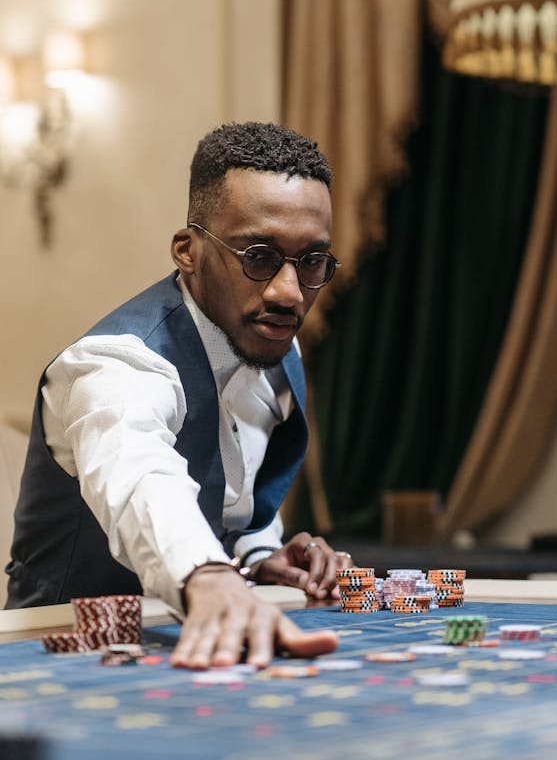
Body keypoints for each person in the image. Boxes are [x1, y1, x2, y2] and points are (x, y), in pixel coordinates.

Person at [6, 121, 352, 669]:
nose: (289, 293)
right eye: (258, 256)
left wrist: (259, 556)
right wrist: (206, 574)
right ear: (187, 251)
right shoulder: (114, 365)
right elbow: (138, 473)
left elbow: (231, 500)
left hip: (198, 644)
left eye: (311, 262)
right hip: (53, 652)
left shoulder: (274, 345)